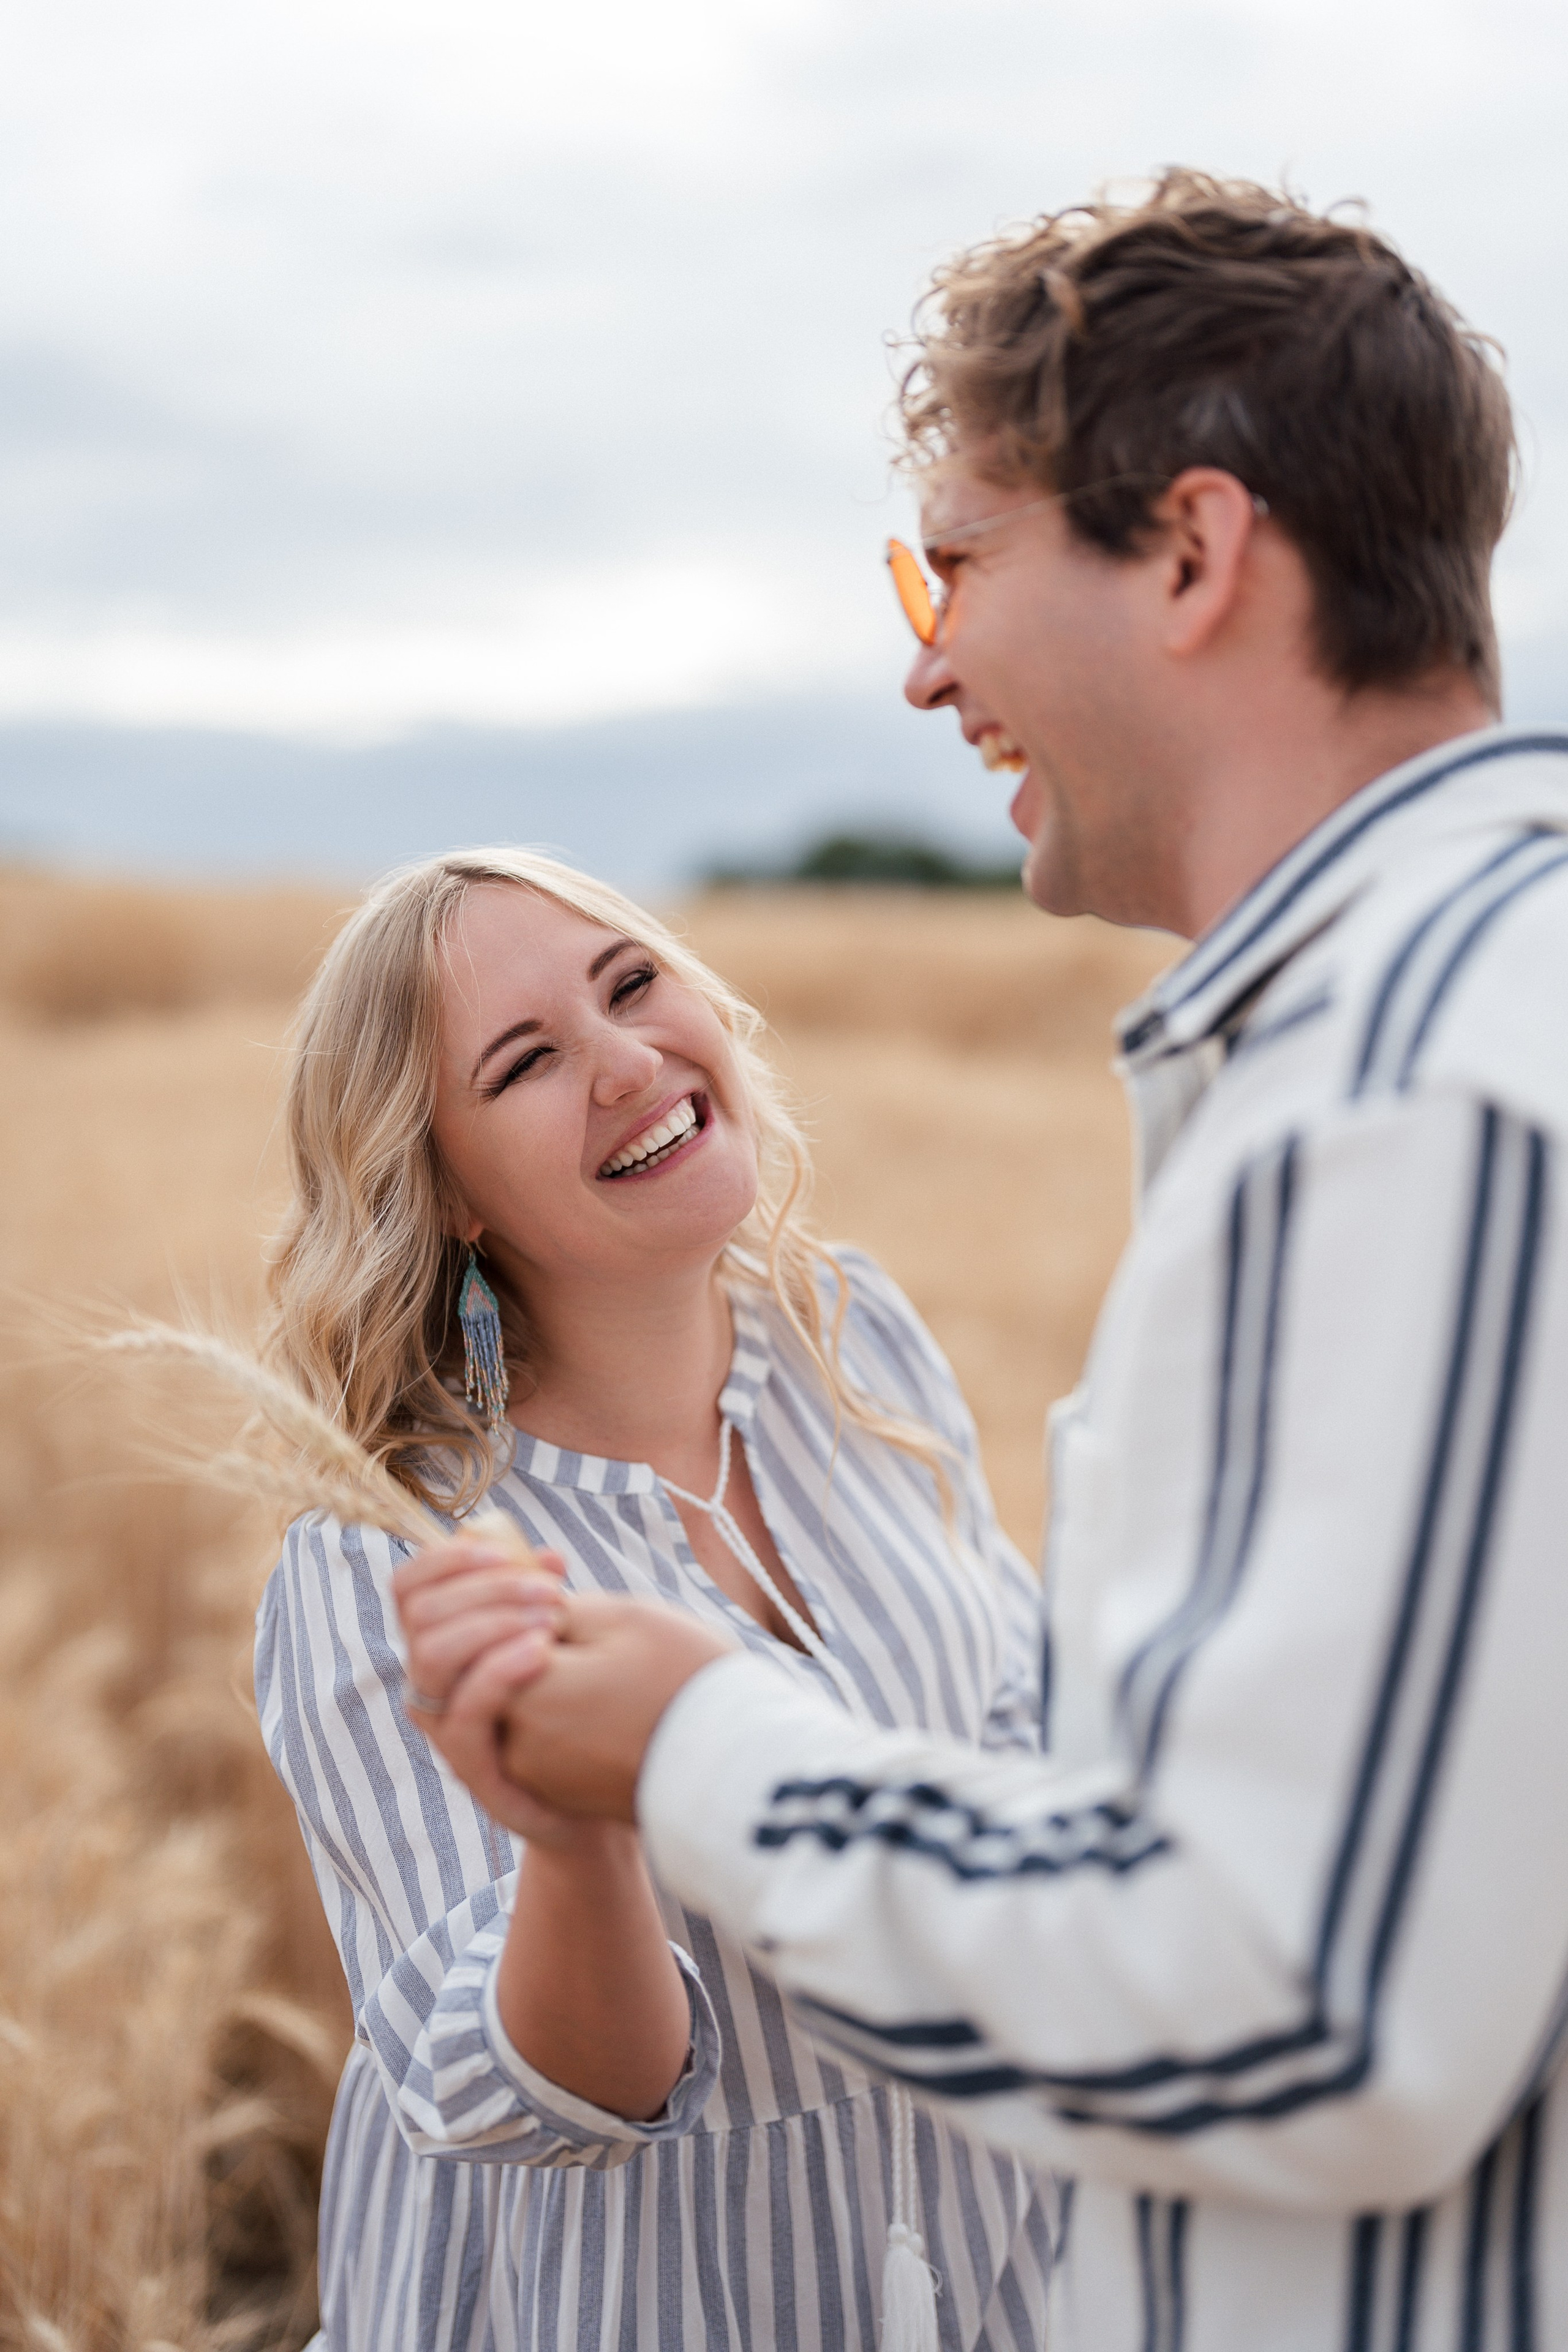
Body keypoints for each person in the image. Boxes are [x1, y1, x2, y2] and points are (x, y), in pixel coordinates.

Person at [423, 172, 1568, 2343]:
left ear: (1200, 555)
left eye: (955, 561)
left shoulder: (1426, 1088)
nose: (926, 661)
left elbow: (1303, 2002)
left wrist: (698, 1743)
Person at [254, 845, 1058, 2352]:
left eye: (632, 984)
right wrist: (573, 1838)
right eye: (526, 1063)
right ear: (448, 1197)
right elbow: (565, 2096)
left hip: (996, 2248)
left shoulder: (850, 1340)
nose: (627, 1062)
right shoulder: (393, 1554)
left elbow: (1016, 1716)